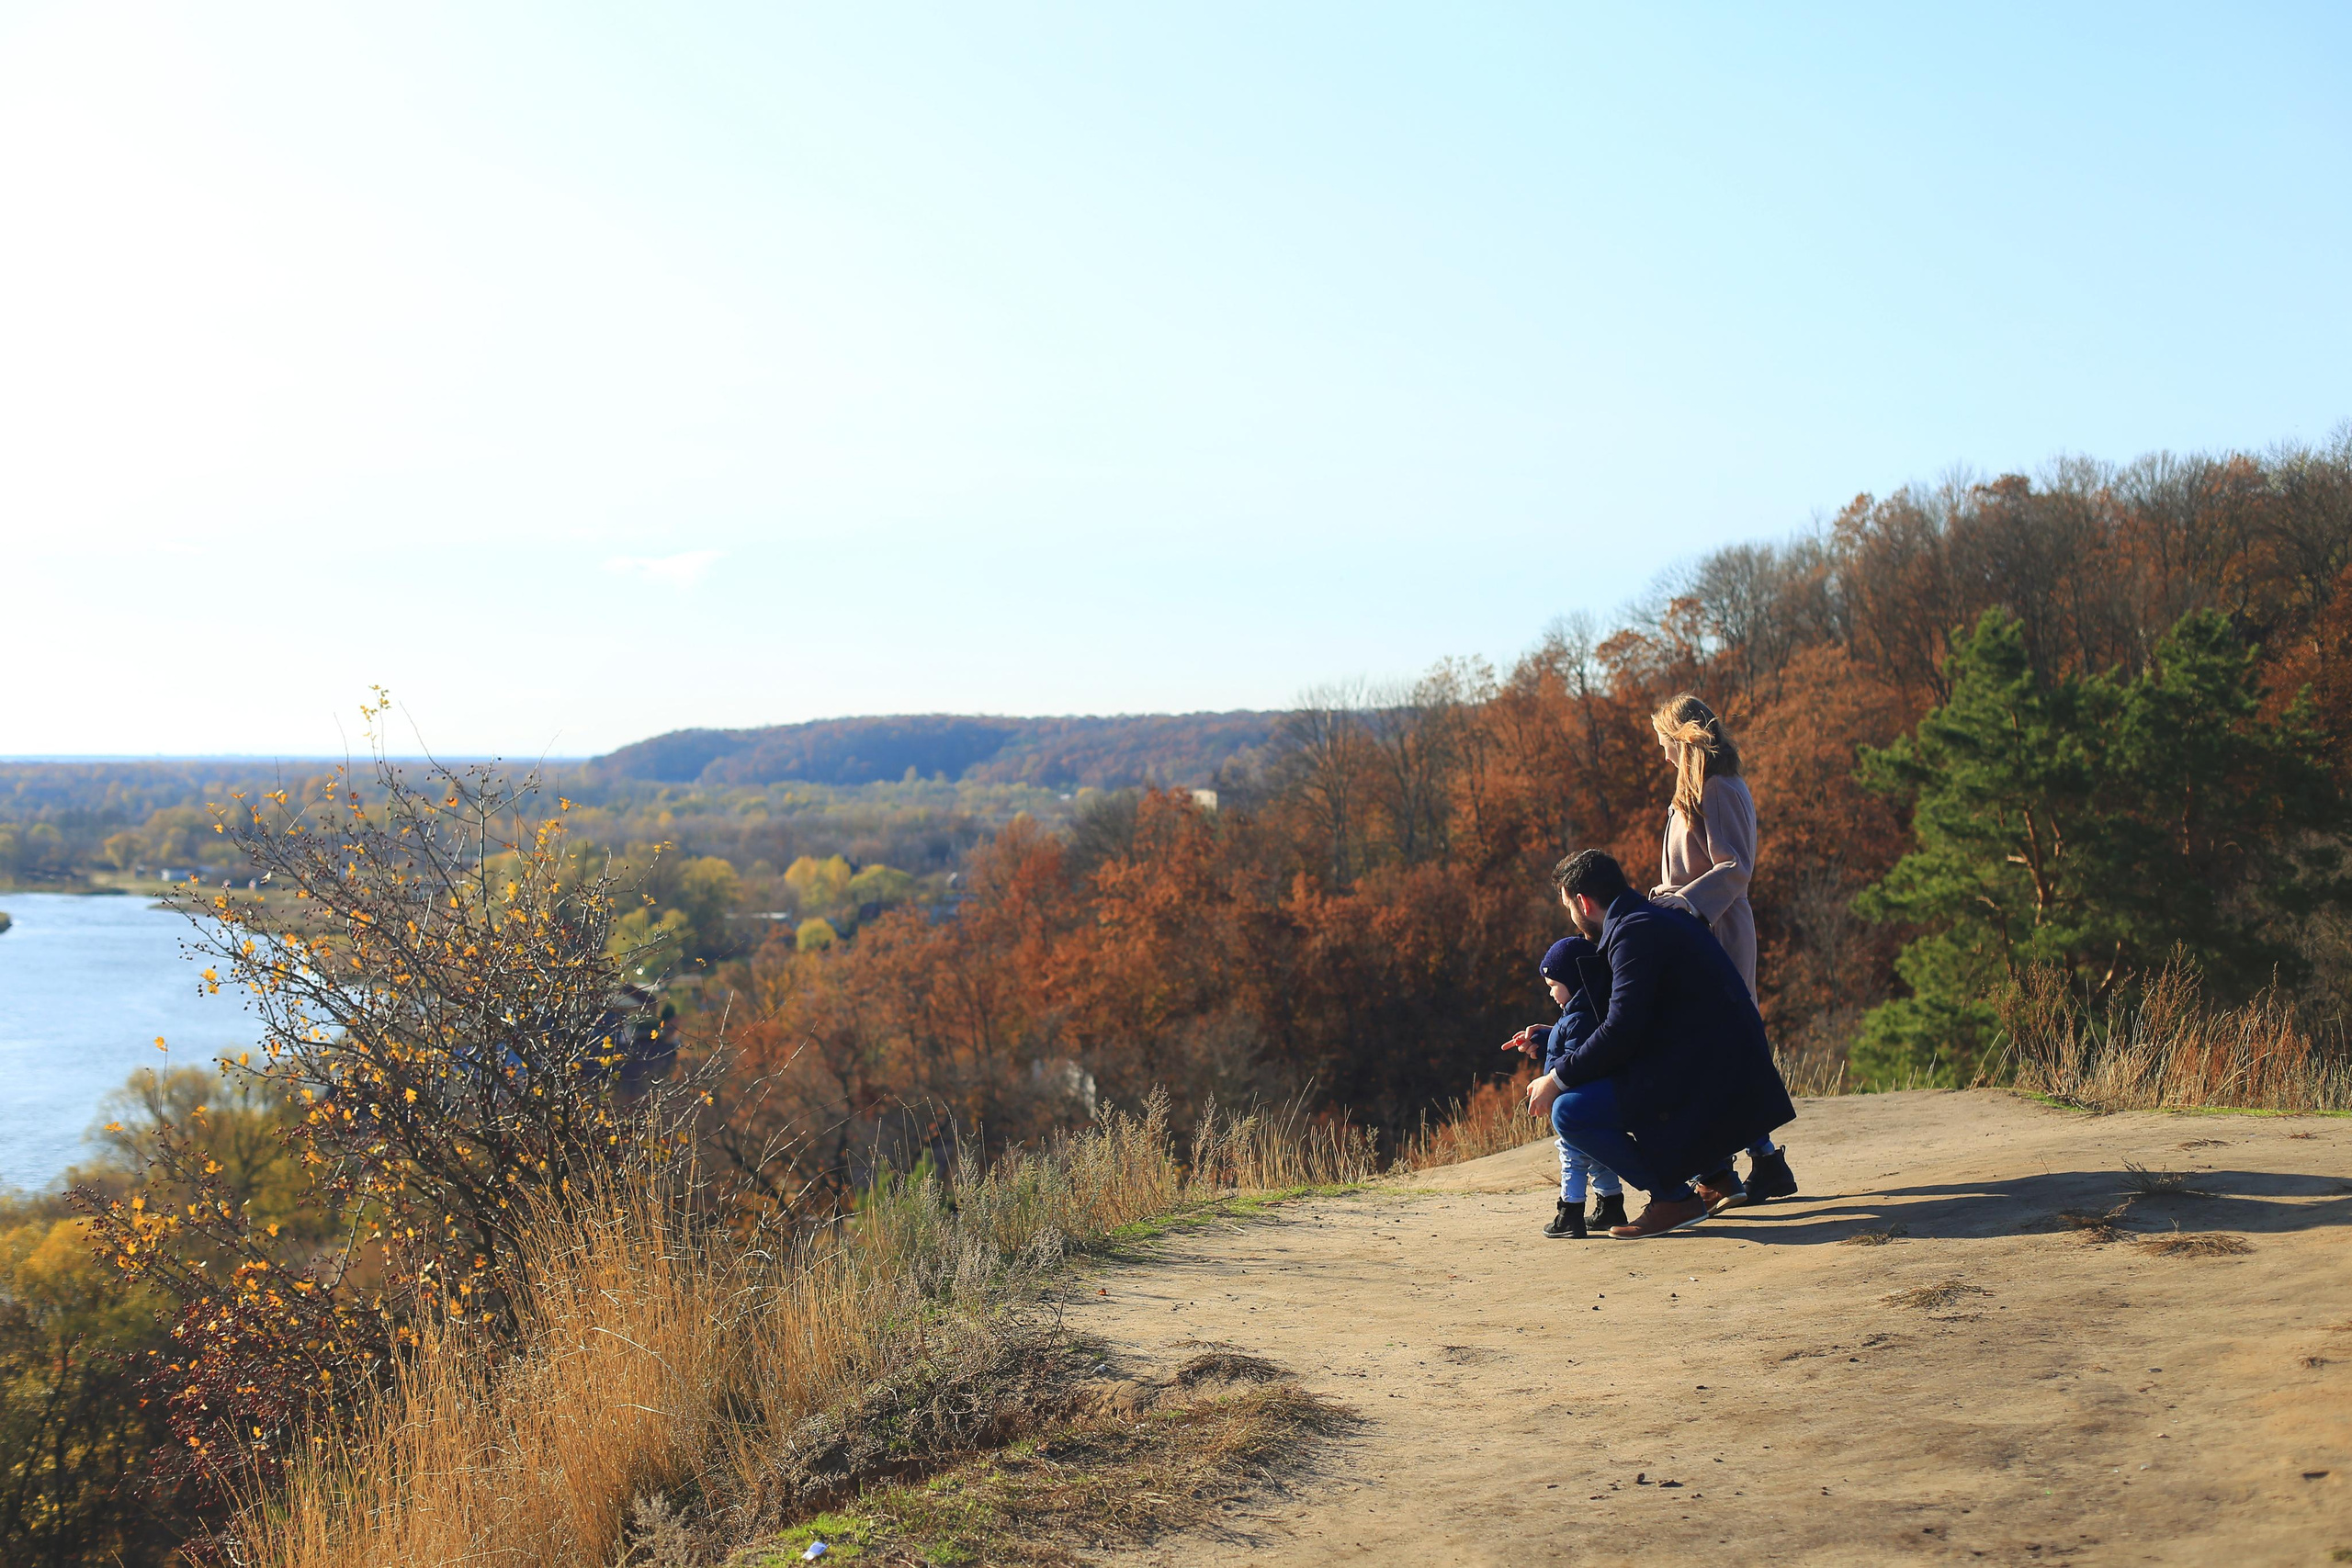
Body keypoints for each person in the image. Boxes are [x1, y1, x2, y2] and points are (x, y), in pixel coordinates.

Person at [1527, 849, 1796, 1238]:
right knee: (1607, 1082)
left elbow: (1621, 1031)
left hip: (1706, 1075)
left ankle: (1672, 1199)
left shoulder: (1632, 934)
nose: (1571, 916)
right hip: (1720, 1065)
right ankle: (1716, 1180)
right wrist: (1554, 1036)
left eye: (1569, 905)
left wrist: (1556, 1079)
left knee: (1570, 1111)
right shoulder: (1652, 919)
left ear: (1583, 902)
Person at [1646, 694, 1799, 1213]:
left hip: (1718, 934)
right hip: (1695, 937)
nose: (1661, 750)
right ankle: (1758, 1163)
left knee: (1717, 1049)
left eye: (1663, 739)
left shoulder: (1719, 787)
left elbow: (1736, 869)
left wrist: (1683, 902)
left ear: (1680, 735)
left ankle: (1730, 1170)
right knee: (1718, 1050)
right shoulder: (1695, 789)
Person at [1504, 935, 1626, 1239]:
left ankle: (1569, 1213)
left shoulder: (1582, 1017)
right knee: (1597, 1159)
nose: (1551, 993)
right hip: (1589, 1105)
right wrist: (1544, 1040)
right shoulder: (1578, 1014)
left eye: (1553, 985)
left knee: (1571, 1157)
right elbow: (1569, 1047)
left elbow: (1577, 1059)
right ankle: (1611, 1204)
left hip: (1578, 1103)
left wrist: (1552, 1081)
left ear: (1576, 981)